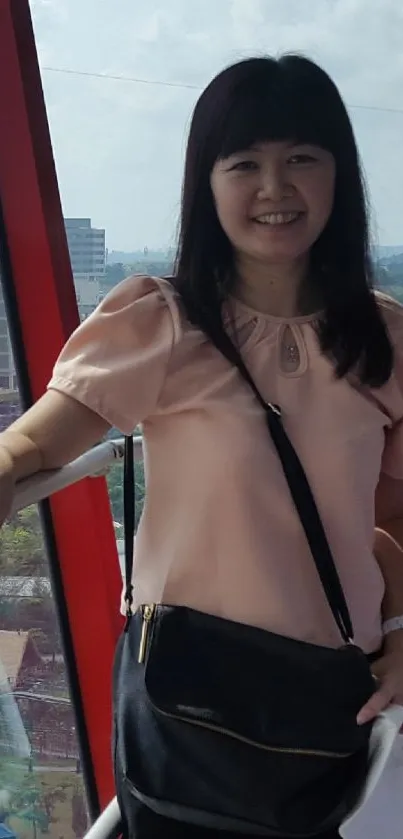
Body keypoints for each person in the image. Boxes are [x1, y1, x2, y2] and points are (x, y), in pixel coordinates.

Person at [1, 53, 403, 837]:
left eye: (299, 160)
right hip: (189, 693)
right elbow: (41, 439)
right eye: (243, 163)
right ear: (206, 181)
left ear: (337, 175)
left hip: (329, 693)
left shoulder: (383, 339)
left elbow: (390, 521)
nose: (273, 188)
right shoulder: (161, 323)